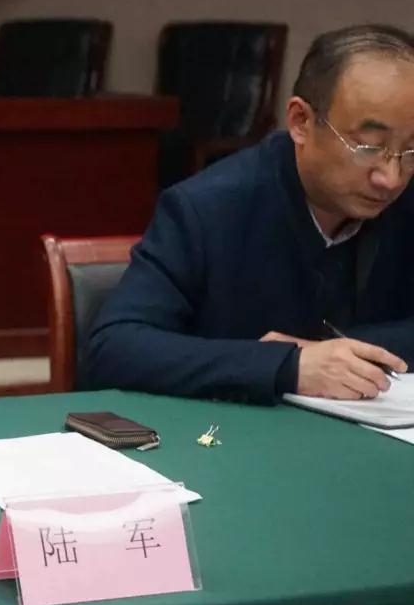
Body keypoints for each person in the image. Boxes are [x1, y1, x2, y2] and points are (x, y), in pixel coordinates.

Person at [86, 24, 414, 404]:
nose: (391, 178)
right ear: (301, 122)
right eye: (368, 147)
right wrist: (286, 365)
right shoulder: (208, 208)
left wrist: (341, 354)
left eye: (410, 149)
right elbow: (113, 348)